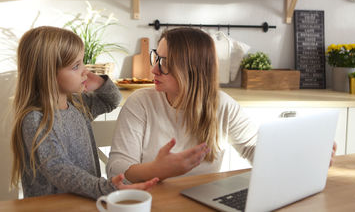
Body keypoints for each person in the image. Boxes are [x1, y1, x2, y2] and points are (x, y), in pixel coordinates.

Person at [10, 26, 158, 200]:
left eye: (82, 63)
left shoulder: (77, 106)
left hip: (83, 201)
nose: (85, 71)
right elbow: (58, 169)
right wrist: (103, 187)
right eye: (75, 66)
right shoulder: (36, 119)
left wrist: (100, 83)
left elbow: (111, 101)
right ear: (48, 74)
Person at [106, 27, 260, 183]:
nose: (154, 69)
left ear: (193, 70)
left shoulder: (223, 106)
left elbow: (258, 151)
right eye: (156, 58)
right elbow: (116, 171)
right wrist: (157, 170)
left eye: (165, 63)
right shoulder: (141, 103)